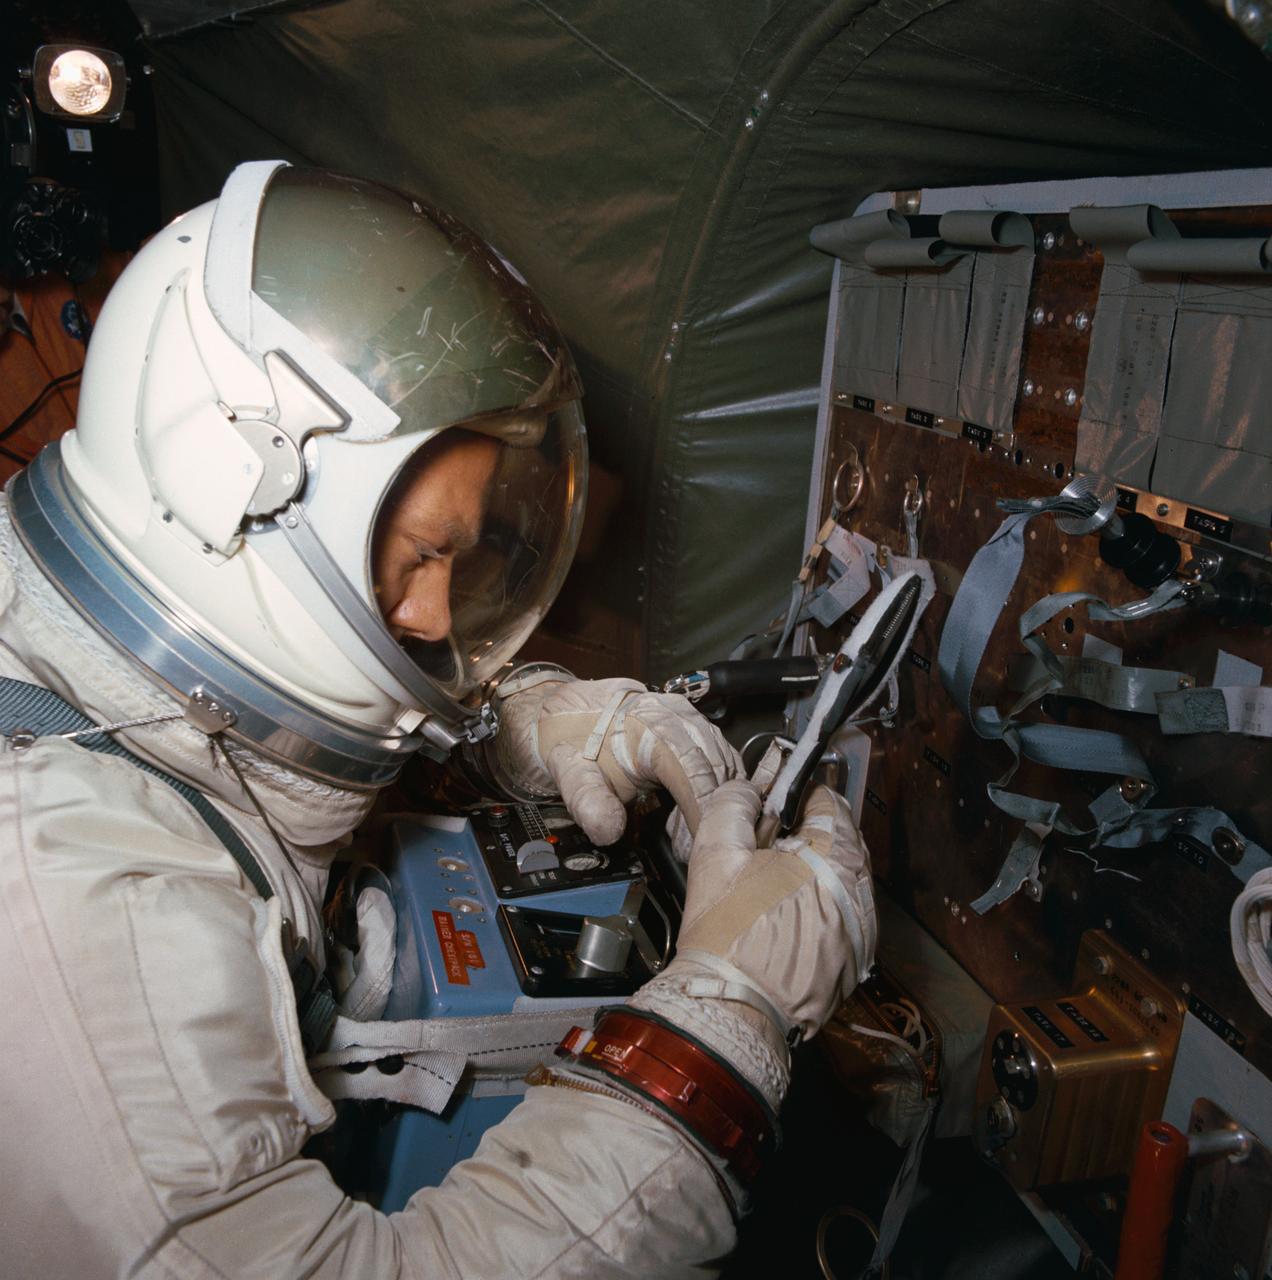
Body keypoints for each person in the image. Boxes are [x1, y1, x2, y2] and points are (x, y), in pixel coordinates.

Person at [0, 161, 877, 1277]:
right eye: (415, 557)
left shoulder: (87, 619)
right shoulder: (79, 902)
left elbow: (246, 706)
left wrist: (525, 720)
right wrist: (720, 1013)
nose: (428, 615)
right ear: (227, 483)